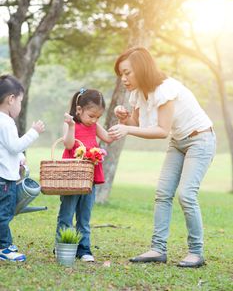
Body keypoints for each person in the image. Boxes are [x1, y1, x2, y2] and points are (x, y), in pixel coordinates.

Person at [108, 47, 216, 268]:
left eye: (127, 72)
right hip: (178, 142)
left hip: (200, 139)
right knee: (162, 194)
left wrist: (127, 130)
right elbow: (137, 125)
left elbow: (161, 131)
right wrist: (125, 119)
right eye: (121, 74)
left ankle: (196, 252)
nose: (124, 78)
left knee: (186, 194)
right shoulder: (138, 93)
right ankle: (158, 249)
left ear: (141, 68)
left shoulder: (165, 89)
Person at [55, 88, 113, 262]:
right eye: (91, 115)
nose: (94, 120)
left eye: (98, 117)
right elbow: (68, 144)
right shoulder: (70, 123)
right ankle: (62, 246)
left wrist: (123, 122)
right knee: (67, 214)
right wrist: (72, 126)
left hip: (89, 177)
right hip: (72, 177)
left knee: (84, 215)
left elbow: (108, 138)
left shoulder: (94, 125)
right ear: (79, 109)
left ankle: (84, 249)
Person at [0, 74, 45, 262]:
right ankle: (4, 248)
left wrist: (19, 158)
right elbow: (15, 145)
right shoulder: (6, 121)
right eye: (20, 101)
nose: (19, 105)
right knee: (4, 213)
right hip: (4, 179)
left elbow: (6, 147)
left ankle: (5, 243)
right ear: (11, 99)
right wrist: (34, 132)